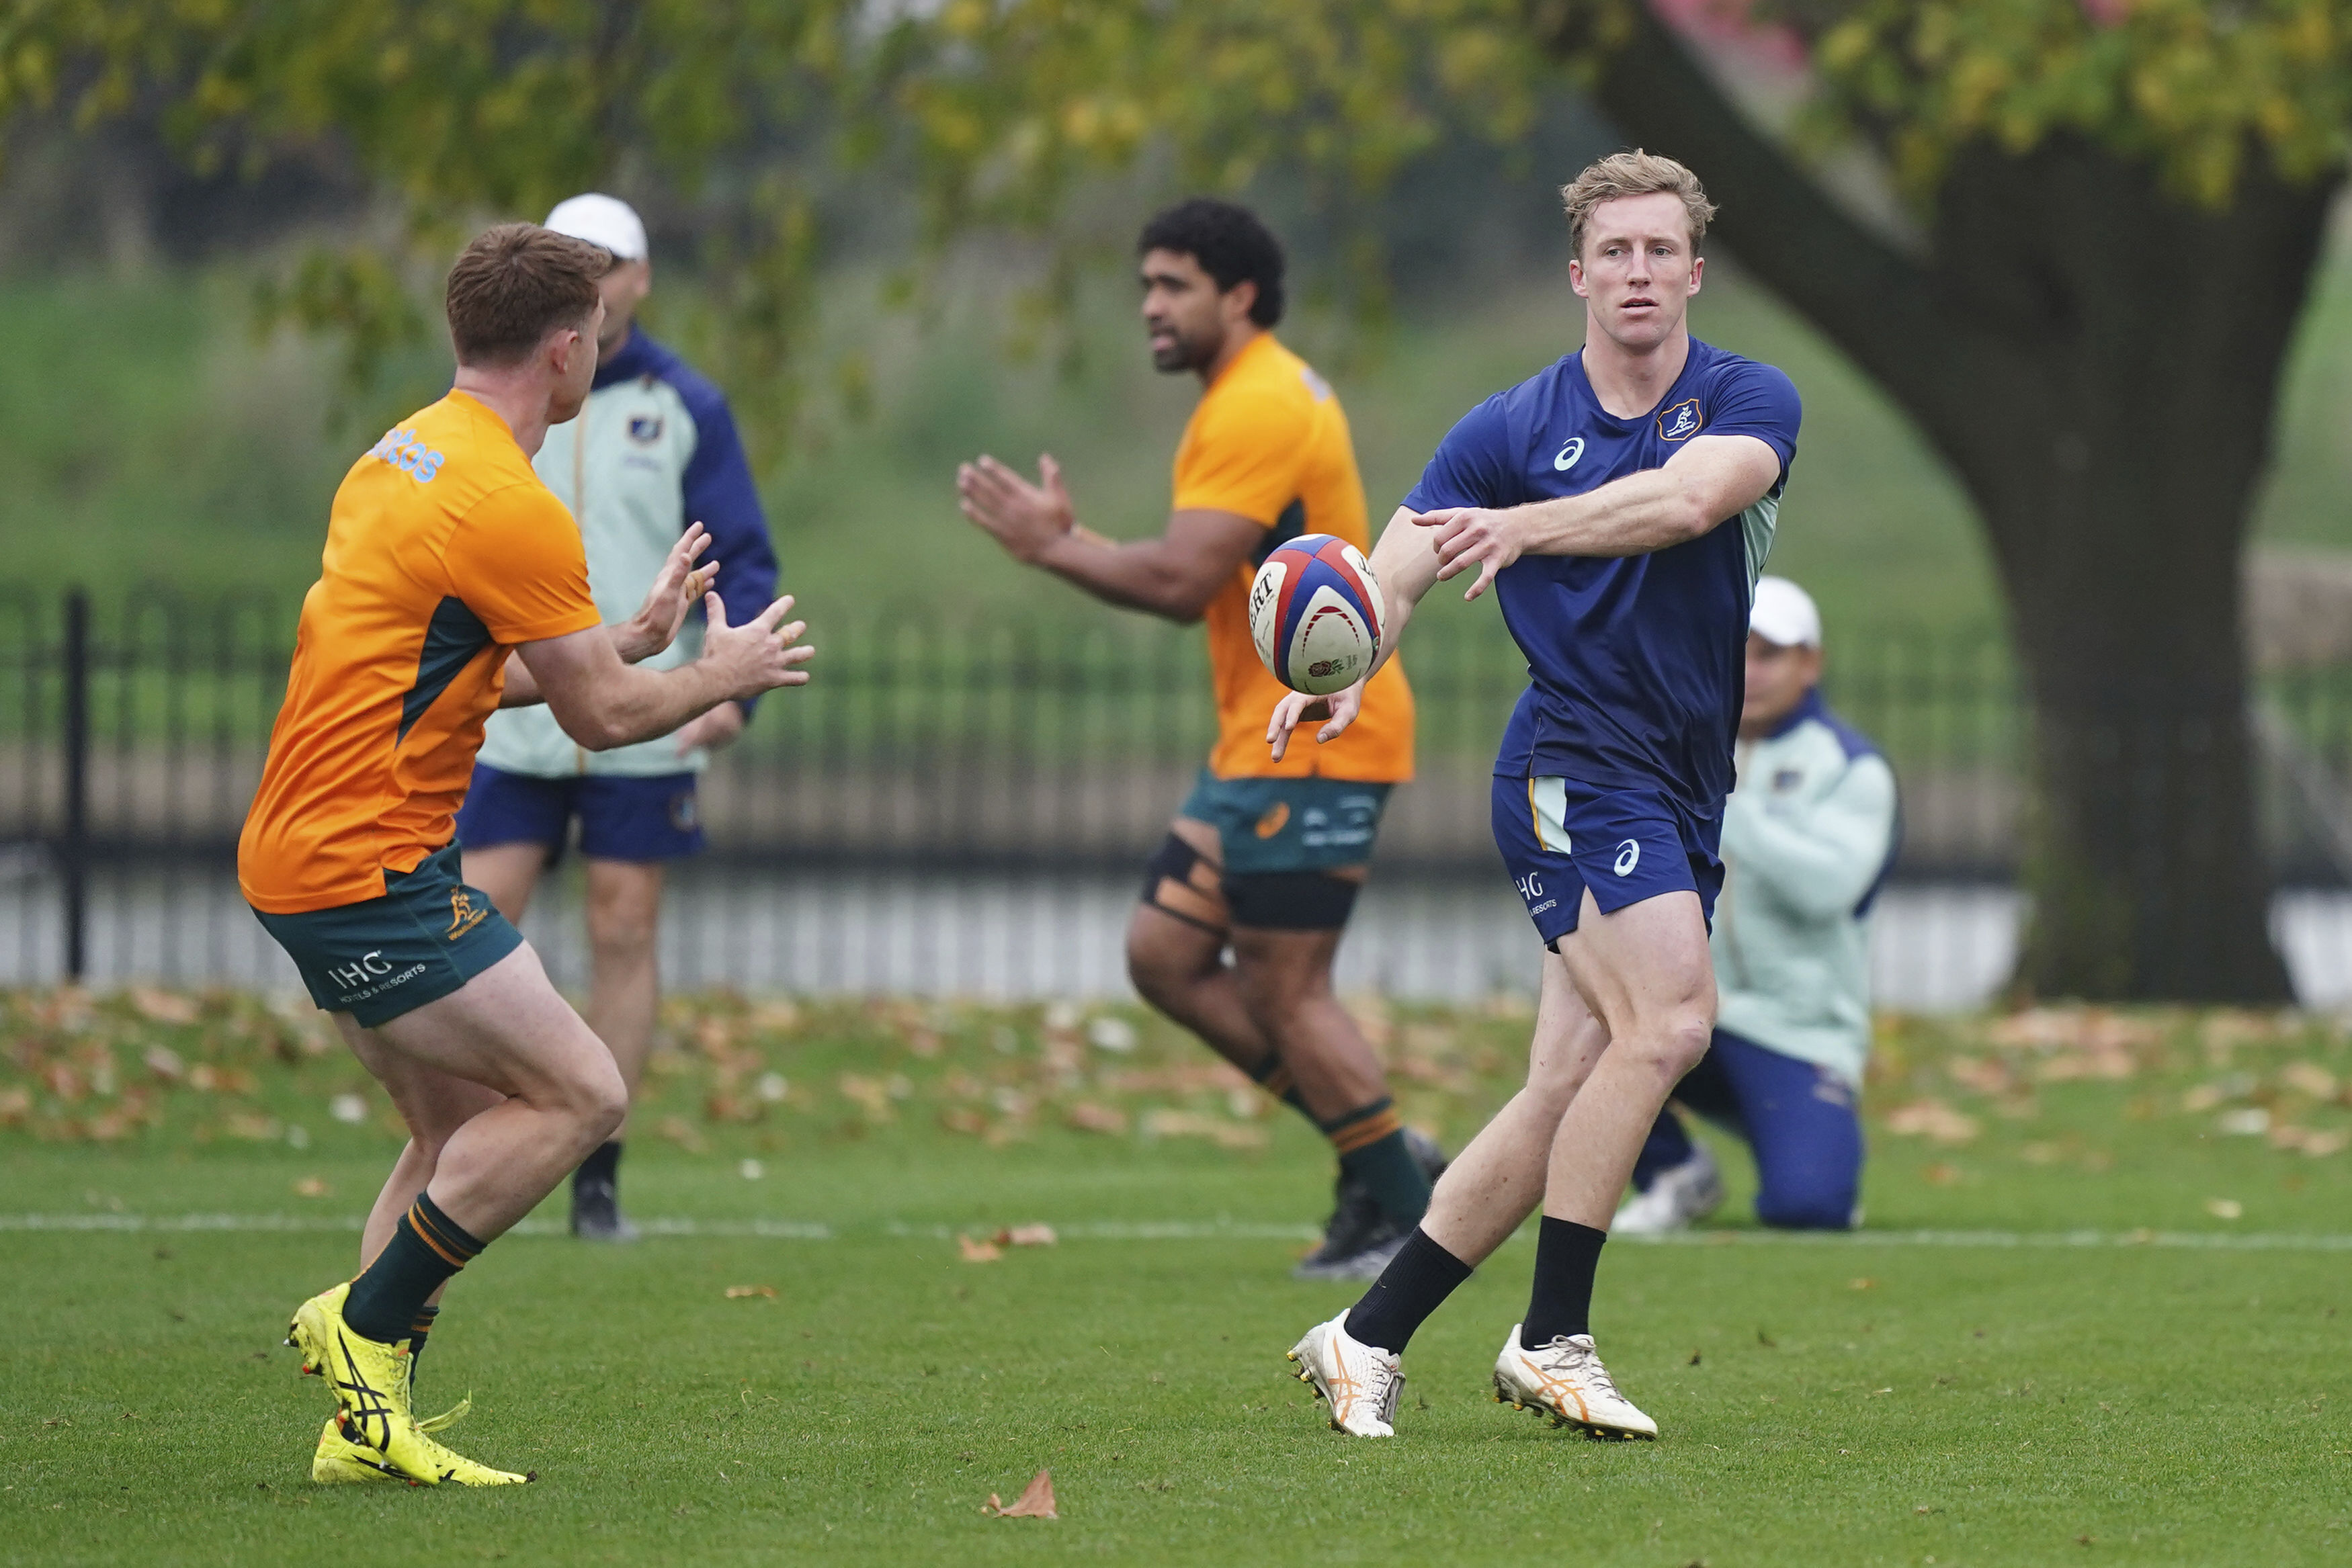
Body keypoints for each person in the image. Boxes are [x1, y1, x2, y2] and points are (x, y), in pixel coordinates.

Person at [239, 222, 813, 1485]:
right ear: (565, 348)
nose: (597, 357)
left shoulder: (401, 453)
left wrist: (628, 632)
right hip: (366, 868)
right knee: (584, 1090)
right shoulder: (515, 501)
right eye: (595, 339)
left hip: (306, 848)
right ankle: (363, 1324)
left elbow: (448, 669)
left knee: (452, 1129)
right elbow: (604, 718)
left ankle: (361, 1431)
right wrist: (717, 669)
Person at [1271, 150, 1802, 1440]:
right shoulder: (1509, 427)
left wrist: (1526, 526)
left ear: (1693, 270)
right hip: (1571, 765)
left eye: (1659, 250)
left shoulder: (1747, 396)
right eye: (1612, 252)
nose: (1637, 272)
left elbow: (1685, 502)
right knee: (1670, 1025)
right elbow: (1389, 571)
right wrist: (1350, 662)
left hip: (1679, 779)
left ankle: (1366, 1331)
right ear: (1579, 273)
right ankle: (1551, 1334)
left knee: (1571, 1082)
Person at [956, 198, 1439, 1280]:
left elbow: (1180, 580)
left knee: (1287, 989)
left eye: (1172, 285)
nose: (1151, 307)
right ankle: (1378, 1153)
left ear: (1240, 295)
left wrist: (1052, 546)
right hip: (1258, 741)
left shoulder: (1259, 402)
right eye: (1144, 287)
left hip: (1317, 737)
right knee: (1165, 953)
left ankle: (1409, 1209)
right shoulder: (1246, 392)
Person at [458, 193, 782, 1243]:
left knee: (624, 927)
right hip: (516, 715)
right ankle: (472, 1140)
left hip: (644, 720)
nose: (596, 276)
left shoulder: (688, 401)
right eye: (577, 260)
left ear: (641, 277)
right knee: (469, 918)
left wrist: (726, 687)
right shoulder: (505, 392)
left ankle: (599, 1171)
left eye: (612, 261)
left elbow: (740, 546)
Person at [1615, 575, 1898, 1233]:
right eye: (1733, 648)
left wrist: (1724, 796)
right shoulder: (1667, 749)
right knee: (1582, 1020)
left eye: (1768, 653)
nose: (1747, 670)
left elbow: (1827, 890)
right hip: (1687, 1011)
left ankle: (1798, 1125)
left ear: (1810, 664)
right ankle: (1671, 1170)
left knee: (1808, 1209)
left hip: (1799, 1033)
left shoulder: (1851, 766)